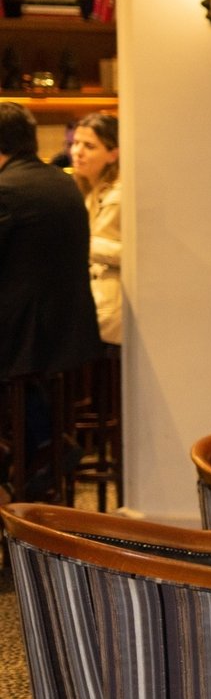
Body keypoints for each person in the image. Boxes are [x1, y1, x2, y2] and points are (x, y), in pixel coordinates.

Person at [0, 102, 102, 499]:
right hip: (65, 327)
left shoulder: (8, 189)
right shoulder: (60, 181)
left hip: (27, 333)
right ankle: (43, 444)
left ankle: (35, 449)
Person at [71, 112, 122, 346]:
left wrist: (77, 242)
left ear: (113, 154)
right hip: (97, 302)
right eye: (75, 143)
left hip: (113, 308)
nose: (77, 152)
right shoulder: (88, 190)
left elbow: (135, 253)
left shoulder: (118, 196)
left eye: (89, 146)